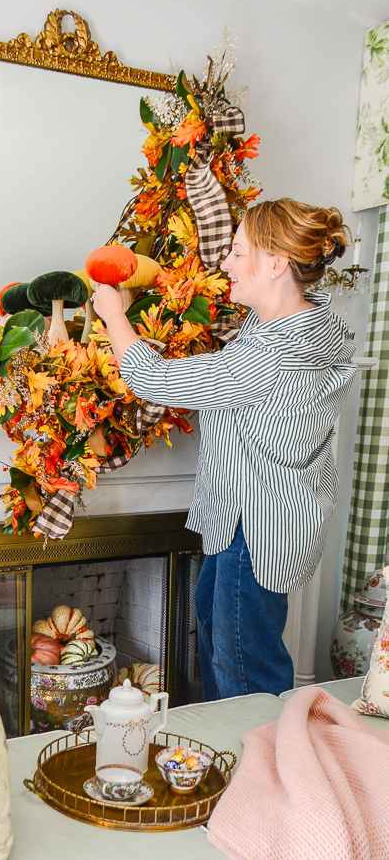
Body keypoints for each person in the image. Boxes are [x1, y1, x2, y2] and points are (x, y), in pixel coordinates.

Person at [92, 198, 357, 699]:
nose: (225, 264)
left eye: (238, 252)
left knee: (245, 675)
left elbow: (154, 378)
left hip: (253, 530)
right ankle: (233, 758)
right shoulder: (300, 325)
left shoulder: (277, 351)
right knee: (223, 646)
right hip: (252, 517)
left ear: (277, 263)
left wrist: (113, 316)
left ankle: (261, 767)